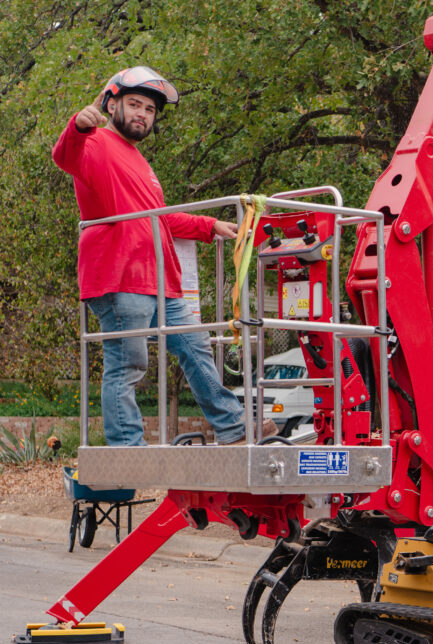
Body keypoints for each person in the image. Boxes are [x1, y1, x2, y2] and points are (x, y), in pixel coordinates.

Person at [52, 66, 276, 446]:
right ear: (111, 104)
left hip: (159, 282)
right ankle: (127, 448)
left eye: (150, 110)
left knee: (196, 347)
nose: (142, 114)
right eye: (134, 104)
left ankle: (234, 427)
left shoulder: (139, 160)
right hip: (120, 277)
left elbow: (158, 217)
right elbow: (64, 155)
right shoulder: (94, 143)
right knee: (128, 363)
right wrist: (77, 125)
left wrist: (208, 226)